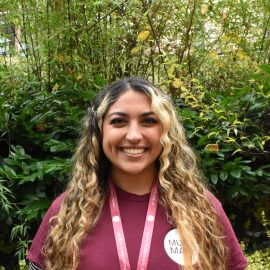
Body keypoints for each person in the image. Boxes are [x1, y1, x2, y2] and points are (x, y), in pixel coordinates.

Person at [27, 77, 248, 270]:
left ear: (165, 130)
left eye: (149, 121)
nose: (133, 135)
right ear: (99, 131)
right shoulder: (66, 212)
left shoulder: (203, 209)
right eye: (119, 121)